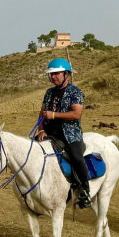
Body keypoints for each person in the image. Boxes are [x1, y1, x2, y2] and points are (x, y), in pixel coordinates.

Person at [35, 57, 91, 208]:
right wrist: (41, 130)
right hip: (49, 134)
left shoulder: (75, 92)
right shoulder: (48, 93)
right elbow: (42, 114)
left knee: (76, 157)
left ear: (66, 74)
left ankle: (85, 191)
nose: (53, 77)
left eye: (56, 74)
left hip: (70, 134)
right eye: (51, 74)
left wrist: (53, 115)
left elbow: (76, 114)